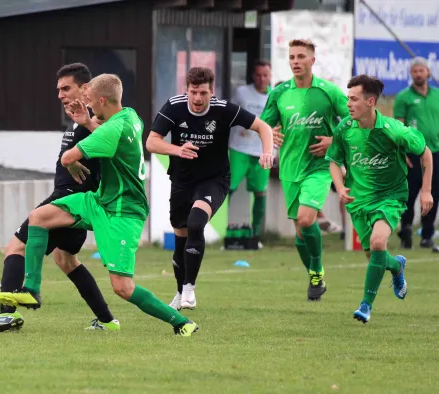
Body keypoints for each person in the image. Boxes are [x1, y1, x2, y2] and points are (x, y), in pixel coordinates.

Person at [0, 74, 200, 337]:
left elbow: (70, 155)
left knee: (122, 287)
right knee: (39, 217)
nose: (88, 104)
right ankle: (31, 290)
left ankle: (181, 322)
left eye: (90, 101)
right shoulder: (130, 117)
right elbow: (105, 136)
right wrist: (88, 123)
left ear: (102, 100)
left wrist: (71, 161)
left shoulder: (113, 129)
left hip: (124, 212)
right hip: (99, 200)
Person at [0, 63, 118, 333]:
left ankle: (7, 315)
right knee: (65, 260)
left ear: (85, 88)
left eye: (66, 88)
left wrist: (84, 138)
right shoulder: (79, 117)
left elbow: (110, 142)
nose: (60, 94)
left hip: (71, 199)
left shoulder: (98, 118)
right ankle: (106, 320)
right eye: (58, 89)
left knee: (15, 248)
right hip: (72, 199)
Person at [146, 66, 274, 310]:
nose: (197, 98)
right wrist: (177, 150)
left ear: (211, 91)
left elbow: (263, 127)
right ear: (187, 89)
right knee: (181, 239)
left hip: (214, 180)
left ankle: (190, 289)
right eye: (193, 92)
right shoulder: (174, 106)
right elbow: (152, 141)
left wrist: (267, 151)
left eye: (203, 93)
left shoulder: (223, 110)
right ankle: (179, 291)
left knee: (196, 223)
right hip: (182, 181)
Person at [325, 74, 433, 323]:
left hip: (390, 197)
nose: (348, 104)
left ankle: (365, 305)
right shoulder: (345, 129)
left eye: (353, 99)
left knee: (377, 243)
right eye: (347, 98)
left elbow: (425, 153)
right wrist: (340, 187)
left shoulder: (393, 129)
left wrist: (426, 191)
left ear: (370, 101)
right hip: (359, 201)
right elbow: (333, 160)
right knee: (374, 254)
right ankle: (396, 266)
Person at [260, 38, 349, 301]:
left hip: (320, 167)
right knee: (300, 234)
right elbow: (263, 126)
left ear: (312, 60)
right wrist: (270, 135)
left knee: (308, 219)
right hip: (290, 169)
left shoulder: (328, 92)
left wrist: (334, 141)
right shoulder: (279, 93)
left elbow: (355, 120)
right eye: (292, 57)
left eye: (301, 56)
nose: (295, 62)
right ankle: (315, 274)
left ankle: (317, 271)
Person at [394, 57, 439, 250]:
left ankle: (427, 235)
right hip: (413, 154)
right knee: (409, 195)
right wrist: (401, 152)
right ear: (411, 74)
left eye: (421, 70)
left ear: (428, 72)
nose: (418, 74)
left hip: (435, 152)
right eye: (415, 71)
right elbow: (398, 126)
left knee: (433, 194)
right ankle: (405, 230)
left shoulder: (437, 95)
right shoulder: (403, 97)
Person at [228, 60, 273, 247]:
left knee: (260, 192)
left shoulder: (275, 96)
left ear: (270, 76)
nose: (262, 79)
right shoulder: (241, 93)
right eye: (258, 75)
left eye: (265, 75)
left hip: (261, 151)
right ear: (253, 76)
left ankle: (255, 235)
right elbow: (228, 115)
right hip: (239, 147)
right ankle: (215, 229)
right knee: (227, 187)